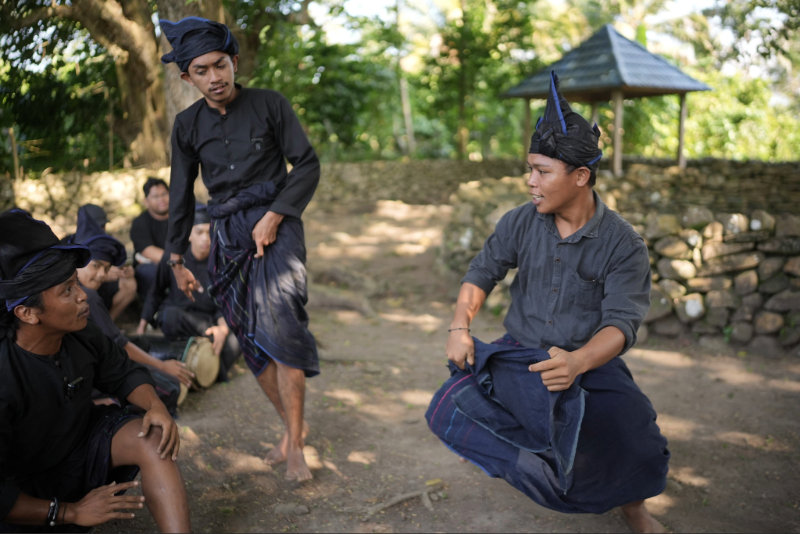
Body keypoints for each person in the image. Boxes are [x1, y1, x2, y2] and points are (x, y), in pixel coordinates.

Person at [428, 72, 669, 533]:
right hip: (519, 354)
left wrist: (578, 361)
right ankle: (535, 468)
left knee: (635, 433)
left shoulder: (623, 244)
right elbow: (483, 273)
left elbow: (621, 323)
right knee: (449, 406)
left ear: (580, 176)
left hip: (589, 361)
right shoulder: (521, 221)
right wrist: (460, 326)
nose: (529, 181)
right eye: (530, 168)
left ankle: (634, 509)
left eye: (542, 171)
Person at [160, 16, 320, 481]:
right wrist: (176, 258)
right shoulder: (186, 126)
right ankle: (293, 427)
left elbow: (306, 164)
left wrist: (276, 214)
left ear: (234, 61)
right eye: (202, 71)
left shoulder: (270, 104)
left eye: (220, 65)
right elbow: (180, 193)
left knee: (284, 329)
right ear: (187, 76)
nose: (214, 78)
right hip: (228, 234)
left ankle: (296, 450)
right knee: (251, 342)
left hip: (277, 224)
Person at [0, 209, 191, 532]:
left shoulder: (82, 332)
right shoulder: (5, 375)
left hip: (80, 453)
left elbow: (123, 372)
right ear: (28, 312)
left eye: (77, 283)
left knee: (154, 436)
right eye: (67, 291)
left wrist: (156, 406)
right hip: (26, 496)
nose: (83, 296)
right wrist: (69, 512)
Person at [70, 206, 193, 414]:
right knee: (170, 387)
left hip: (87, 367)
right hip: (88, 376)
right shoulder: (87, 296)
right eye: (96, 266)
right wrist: (162, 367)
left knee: (141, 342)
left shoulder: (76, 289)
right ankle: (103, 404)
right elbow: (118, 346)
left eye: (106, 269)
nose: (101, 275)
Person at [138, 204, 240, 382]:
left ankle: (199, 363)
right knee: (169, 315)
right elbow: (155, 293)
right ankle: (200, 358)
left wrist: (222, 330)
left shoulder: (222, 260)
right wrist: (141, 328)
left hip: (209, 321)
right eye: (199, 232)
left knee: (235, 342)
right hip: (181, 319)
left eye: (209, 232)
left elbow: (225, 301)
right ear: (189, 235)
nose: (205, 239)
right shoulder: (173, 258)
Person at [62, 204, 137, 321]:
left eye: (103, 226)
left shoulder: (108, 241)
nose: (102, 229)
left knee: (129, 283)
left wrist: (123, 272)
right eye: (97, 225)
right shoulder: (66, 242)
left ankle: (108, 324)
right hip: (77, 287)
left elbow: (121, 264)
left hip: (104, 287)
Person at [130, 178, 170, 297]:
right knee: (148, 272)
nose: (161, 199)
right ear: (146, 201)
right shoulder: (140, 222)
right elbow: (148, 251)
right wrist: (178, 262)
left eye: (164, 194)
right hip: (153, 265)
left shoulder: (180, 217)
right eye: (155, 196)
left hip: (180, 261)